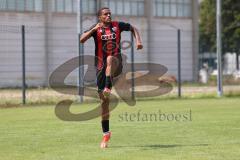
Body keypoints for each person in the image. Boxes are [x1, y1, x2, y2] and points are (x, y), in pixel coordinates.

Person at [80, 7, 143, 148]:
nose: (108, 16)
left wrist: (138, 41)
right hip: (100, 67)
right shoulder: (96, 28)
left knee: (110, 59)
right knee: (104, 104)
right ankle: (106, 134)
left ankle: (108, 86)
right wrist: (93, 29)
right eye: (105, 14)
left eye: (109, 14)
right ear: (100, 17)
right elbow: (82, 40)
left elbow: (133, 28)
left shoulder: (117, 25)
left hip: (116, 62)